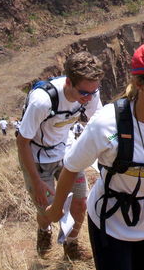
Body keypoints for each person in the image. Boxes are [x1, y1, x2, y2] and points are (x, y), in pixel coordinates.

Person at [45, 41, 144, 270]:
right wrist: (55, 209)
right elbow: (71, 166)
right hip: (109, 223)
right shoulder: (106, 124)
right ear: (139, 83)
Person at [17, 52, 104, 260]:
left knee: (80, 204)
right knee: (49, 211)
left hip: (67, 153)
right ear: (68, 82)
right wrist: (37, 182)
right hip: (38, 159)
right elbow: (22, 142)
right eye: (84, 93)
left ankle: (70, 246)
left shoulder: (91, 92)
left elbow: (98, 124)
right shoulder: (42, 102)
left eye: (93, 92)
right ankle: (44, 230)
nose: (89, 98)